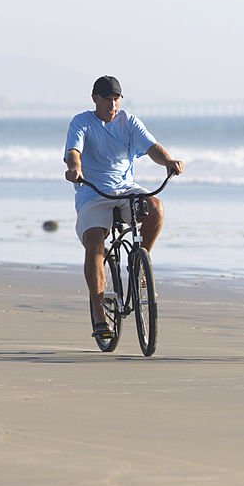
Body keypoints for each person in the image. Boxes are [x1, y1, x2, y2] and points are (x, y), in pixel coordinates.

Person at [63, 75, 184, 341]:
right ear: (95, 98)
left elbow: (152, 147)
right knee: (95, 243)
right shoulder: (81, 122)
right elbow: (74, 151)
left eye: (116, 99)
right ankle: (98, 314)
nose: (113, 104)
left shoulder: (128, 121)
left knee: (155, 208)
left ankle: (140, 264)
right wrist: (75, 169)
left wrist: (168, 161)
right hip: (93, 193)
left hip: (125, 189)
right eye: (108, 99)